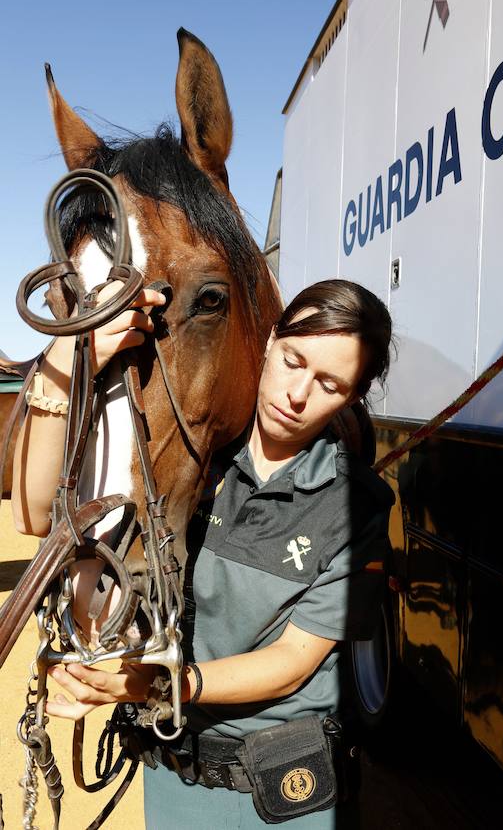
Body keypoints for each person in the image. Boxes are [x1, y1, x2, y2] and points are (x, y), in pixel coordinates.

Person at [12, 277, 395, 829]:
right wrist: (70, 361)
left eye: (329, 383)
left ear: (352, 398)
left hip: (284, 792)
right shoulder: (186, 460)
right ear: (267, 343)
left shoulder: (354, 504)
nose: (297, 394)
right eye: (292, 359)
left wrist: (162, 684)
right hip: (173, 775)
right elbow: (34, 510)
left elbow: (291, 665)